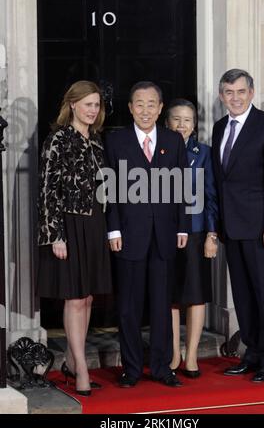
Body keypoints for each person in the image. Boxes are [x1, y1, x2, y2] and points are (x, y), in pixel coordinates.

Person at [105, 81, 189, 388]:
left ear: (160, 107)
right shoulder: (116, 141)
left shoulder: (173, 140)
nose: (145, 110)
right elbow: (111, 190)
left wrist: (182, 226)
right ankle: (131, 369)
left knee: (161, 304)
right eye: (139, 104)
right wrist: (113, 228)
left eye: (151, 104)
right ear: (130, 108)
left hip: (165, 234)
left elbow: (180, 187)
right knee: (128, 306)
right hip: (128, 234)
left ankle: (162, 367)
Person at [212, 69, 264, 382]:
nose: (235, 98)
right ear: (222, 96)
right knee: (243, 295)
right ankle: (253, 352)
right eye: (229, 92)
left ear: (252, 93)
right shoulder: (219, 128)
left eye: (241, 91)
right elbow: (221, 180)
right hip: (232, 227)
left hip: (262, 229)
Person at [37, 80, 112, 396]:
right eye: (88, 104)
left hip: (94, 224)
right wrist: (55, 235)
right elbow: (46, 191)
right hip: (67, 226)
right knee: (75, 297)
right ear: (72, 105)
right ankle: (81, 367)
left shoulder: (96, 141)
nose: (93, 110)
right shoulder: (57, 140)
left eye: (96, 105)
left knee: (89, 297)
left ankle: (71, 359)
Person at [166, 99, 218, 377]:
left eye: (187, 120)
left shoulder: (205, 153)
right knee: (171, 296)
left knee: (196, 296)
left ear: (194, 124)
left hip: (197, 232)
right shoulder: (157, 150)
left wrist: (212, 235)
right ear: (167, 122)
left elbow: (211, 196)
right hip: (166, 233)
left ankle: (193, 354)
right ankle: (174, 353)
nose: (181, 125)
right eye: (176, 119)